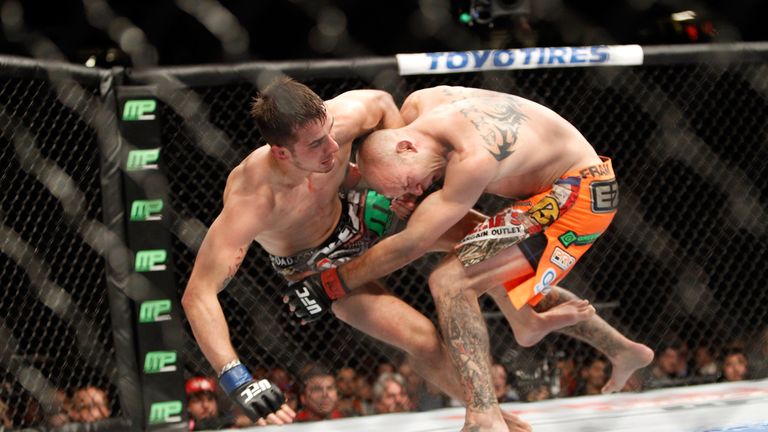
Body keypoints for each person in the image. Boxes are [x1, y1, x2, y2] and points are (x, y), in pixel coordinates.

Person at [181, 77, 536, 430]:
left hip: (358, 210)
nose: (333, 148)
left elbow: (382, 102)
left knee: (487, 236)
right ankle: (489, 414)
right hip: (316, 265)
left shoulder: (346, 116)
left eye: (330, 132)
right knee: (422, 337)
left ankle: (530, 316)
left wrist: (399, 181)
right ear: (281, 152)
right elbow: (198, 294)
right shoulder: (254, 197)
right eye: (317, 144)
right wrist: (238, 379)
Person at [295, 85, 655, 431]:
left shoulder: (474, 157)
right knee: (482, 261)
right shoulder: (422, 105)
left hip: (581, 193)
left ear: (406, 147)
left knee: (451, 279)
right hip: (550, 193)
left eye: (408, 182)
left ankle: (485, 414)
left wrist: (328, 284)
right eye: (404, 191)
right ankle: (621, 350)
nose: (416, 191)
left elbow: (412, 243)